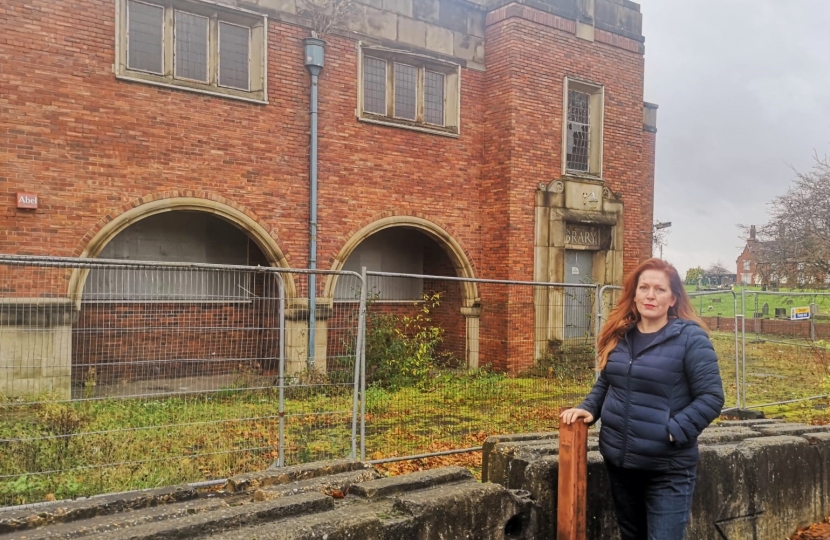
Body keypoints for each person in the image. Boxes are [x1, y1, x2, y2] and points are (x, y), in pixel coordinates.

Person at [560, 258, 724, 540]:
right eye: (644, 287)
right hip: (620, 464)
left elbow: (711, 396)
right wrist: (589, 407)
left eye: (660, 290)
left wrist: (672, 432)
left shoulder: (690, 339)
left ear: (673, 298)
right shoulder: (622, 336)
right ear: (634, 293)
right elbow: (610, 380)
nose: (650, 295)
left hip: (667, 469)